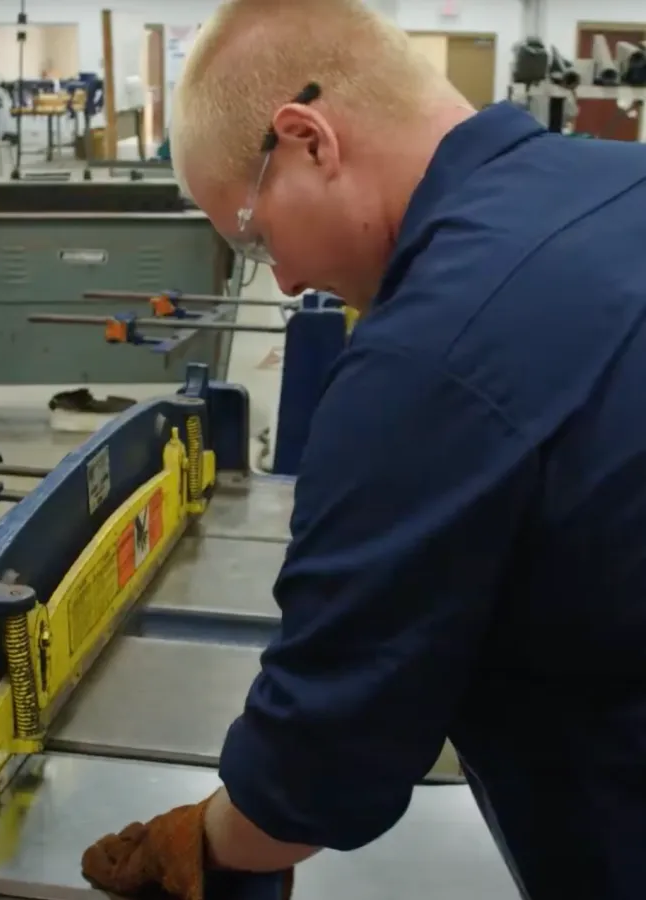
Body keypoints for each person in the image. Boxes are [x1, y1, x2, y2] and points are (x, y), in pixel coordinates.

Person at [82, 1, 646, 898]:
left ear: (308, 139)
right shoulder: (625, 179)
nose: (286, 278)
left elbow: (316, 767)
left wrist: (199, 839)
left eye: (252, 236)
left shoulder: (425, 360)